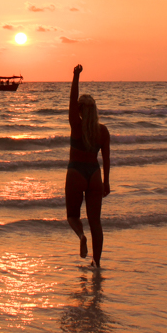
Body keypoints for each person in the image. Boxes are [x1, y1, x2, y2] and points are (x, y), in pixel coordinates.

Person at [65, 64, 110, 267]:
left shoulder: (76, 125)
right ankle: (96, 263)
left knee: (73, 216)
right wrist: (107, 182)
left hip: (76, 172)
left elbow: (72, 102)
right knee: (96, 223)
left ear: (81, 110)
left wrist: (76, 76)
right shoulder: (103, 131)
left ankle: (81, 236)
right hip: (94, 175)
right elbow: (107, 159)